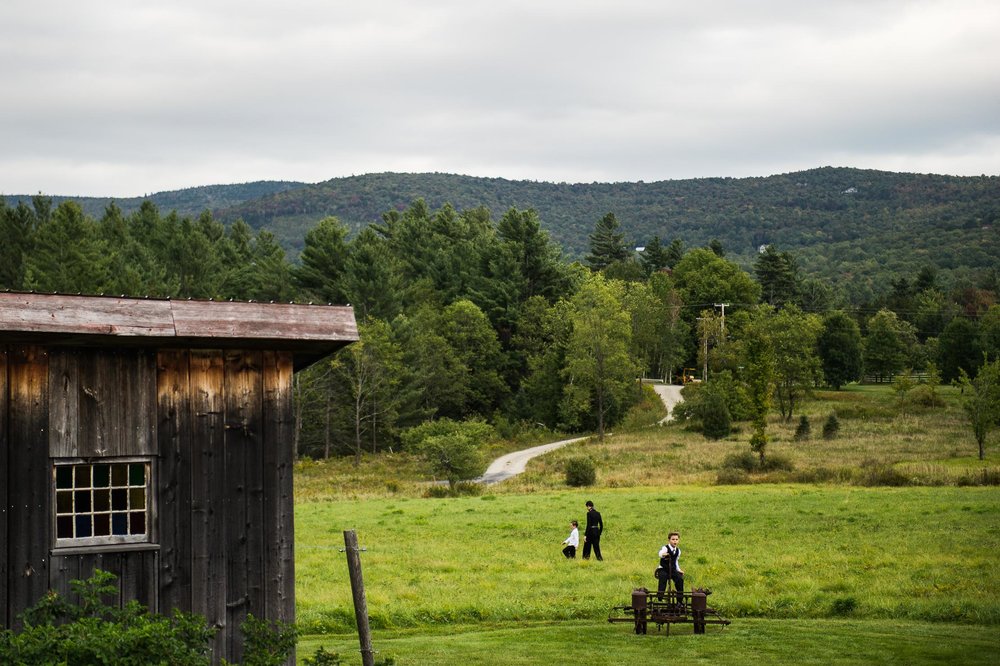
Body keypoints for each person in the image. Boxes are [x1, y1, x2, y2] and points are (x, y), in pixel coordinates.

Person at [656, 532, 684, 603]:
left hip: (672, 569)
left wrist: (679, 570)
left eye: (676, 539)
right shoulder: (665, 548)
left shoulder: (678, 551)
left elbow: (676, 561)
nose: (675, 541)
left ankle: (679, 601)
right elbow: (660, 553)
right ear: (669, 540)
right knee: (663, 577)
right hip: (663, 568)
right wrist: (663, 554)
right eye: (673, 539)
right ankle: (660, 598)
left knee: (680, 579)